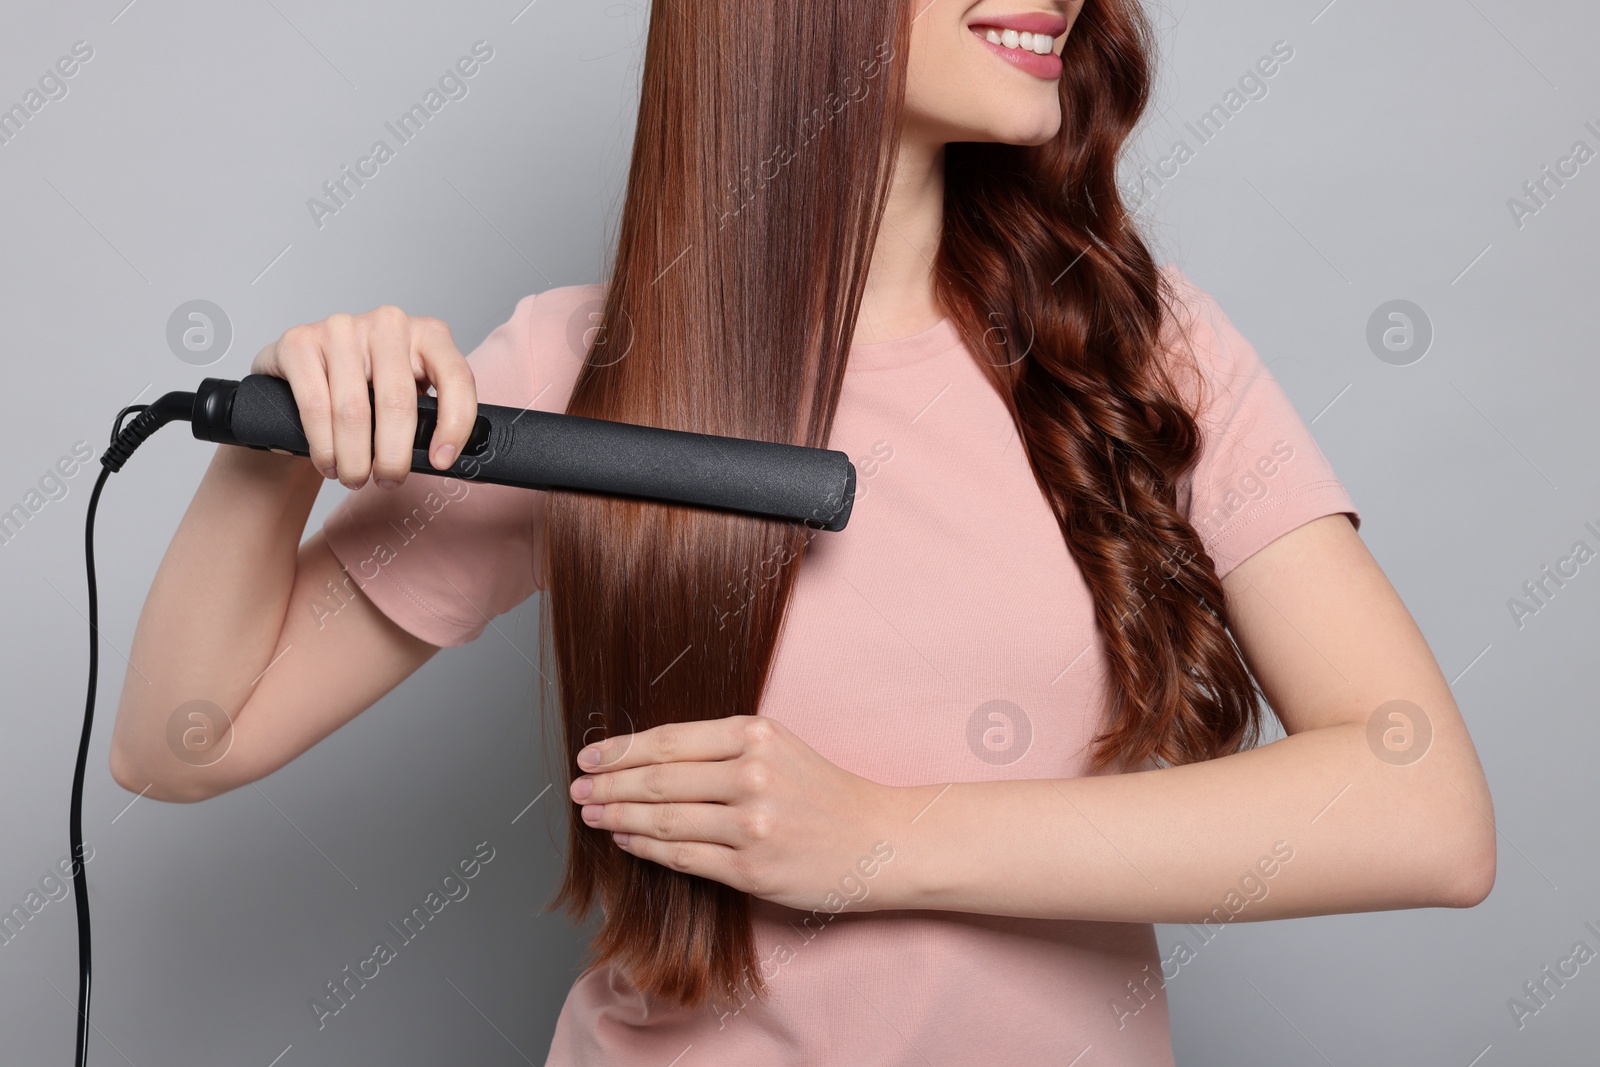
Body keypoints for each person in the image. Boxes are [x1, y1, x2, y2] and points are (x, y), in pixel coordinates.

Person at [108, 2, 1496, 1064]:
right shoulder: (587, 369)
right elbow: (185, 743)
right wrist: (283, 440)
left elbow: (1423, 812)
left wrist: (882, 841)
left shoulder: (1137, 352)